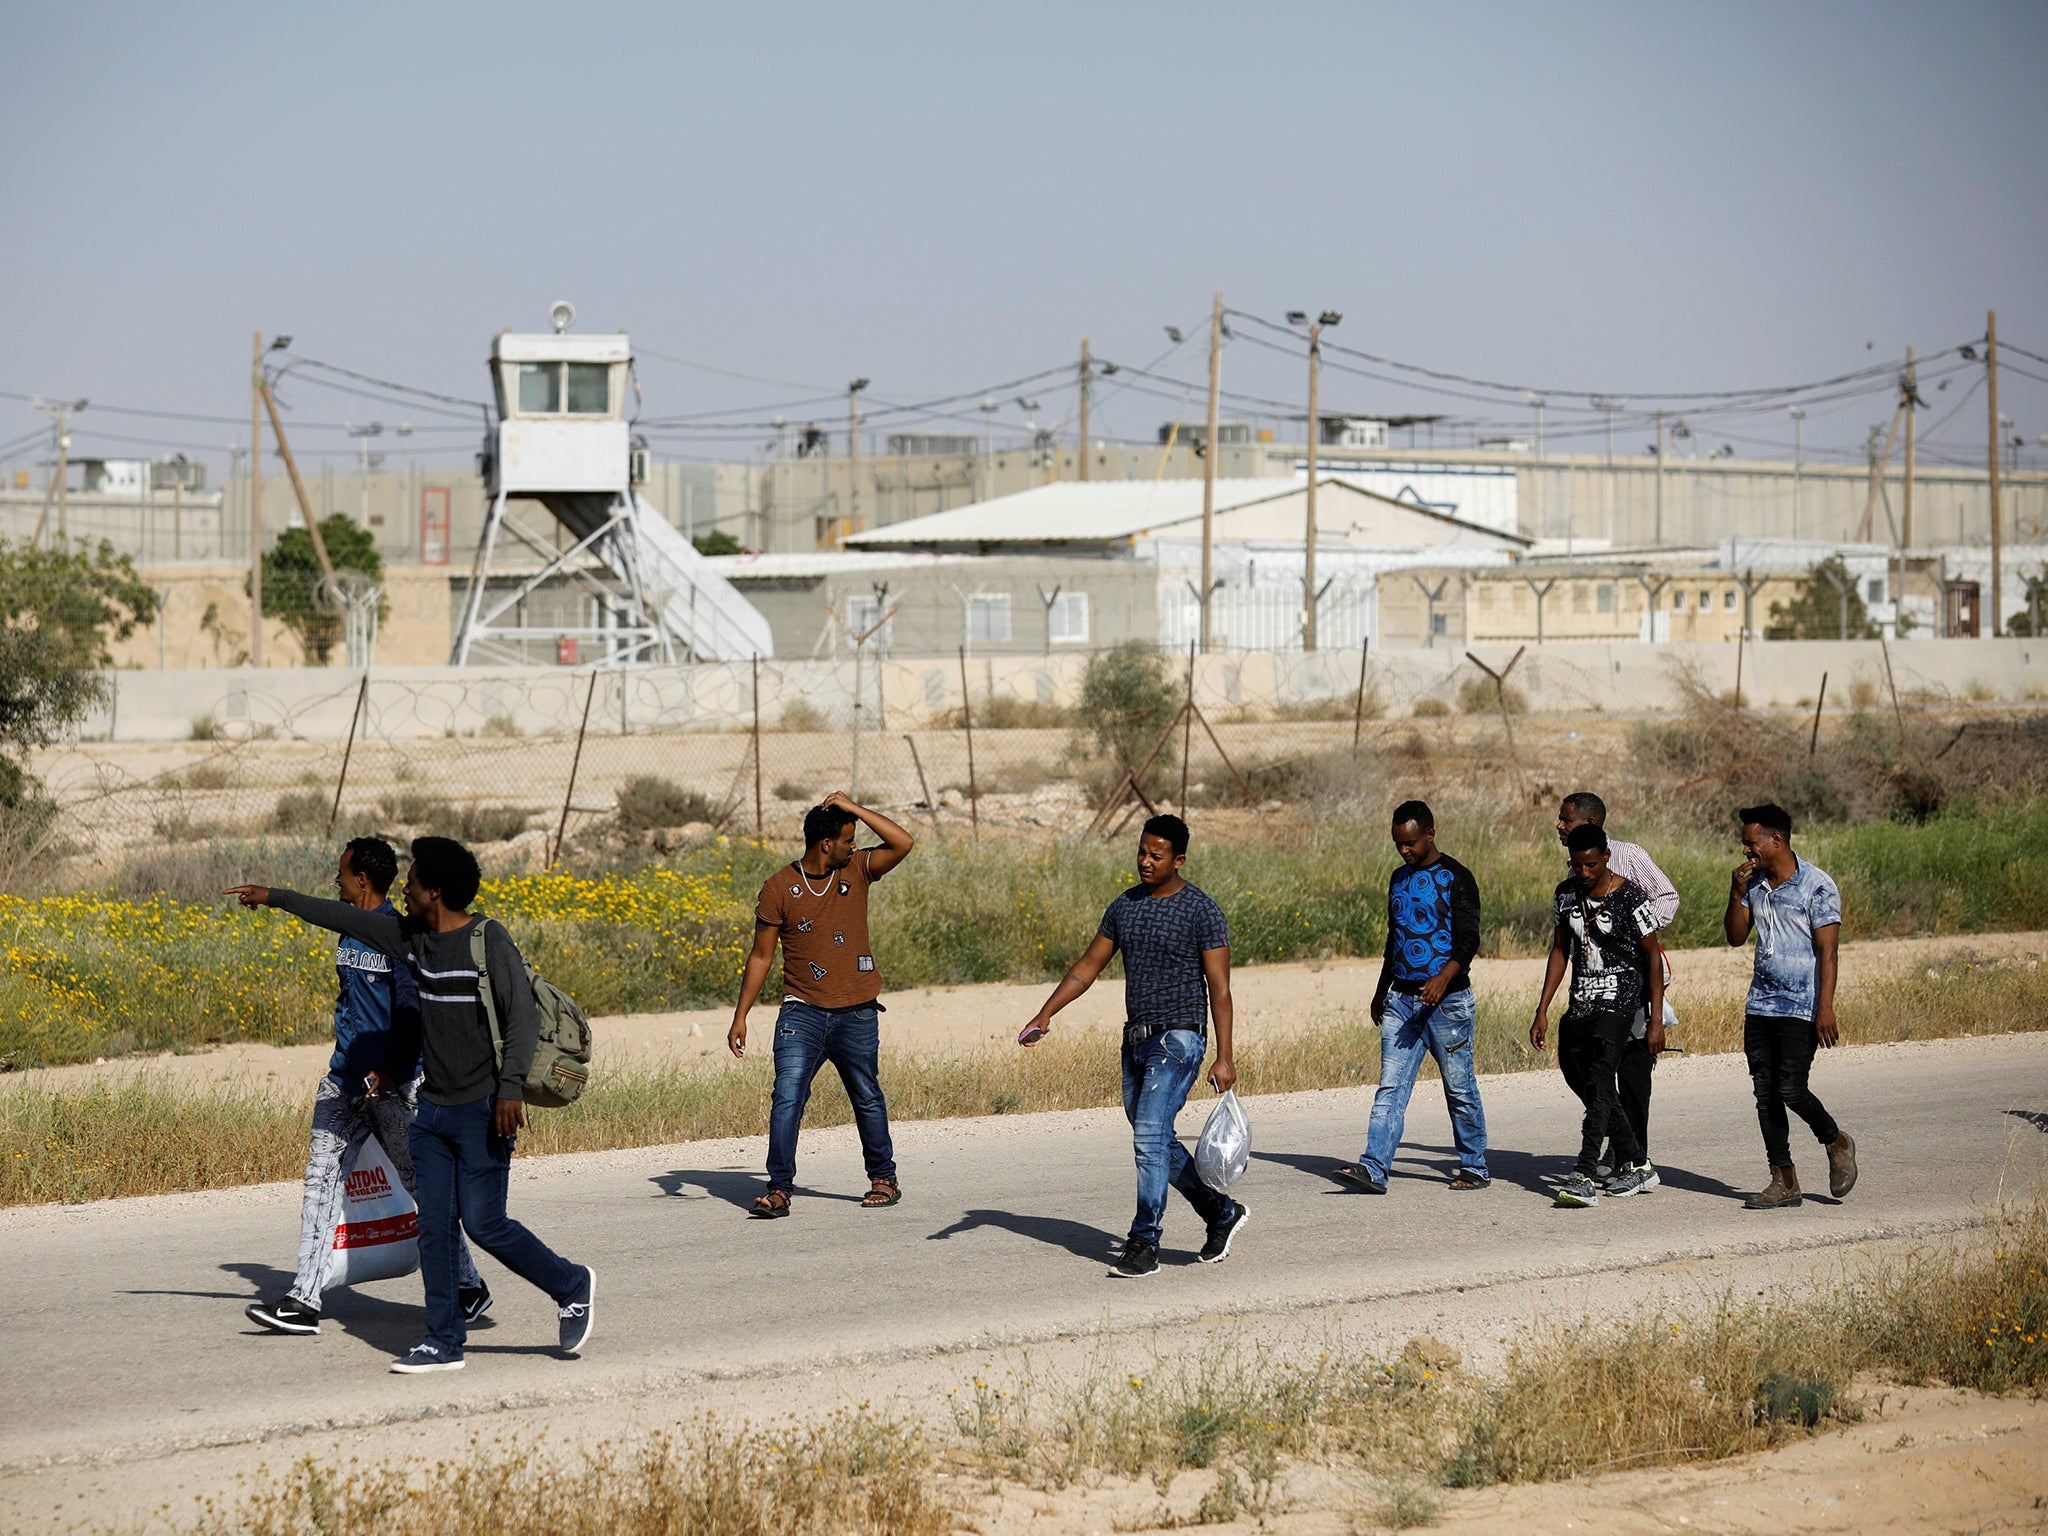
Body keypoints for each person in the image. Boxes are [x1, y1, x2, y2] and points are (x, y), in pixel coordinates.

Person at [227, 836, 595, 1374]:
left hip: (484, 1108)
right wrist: (275, 896)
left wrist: (511, 1090)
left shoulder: (488, 940)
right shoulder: (412, 940)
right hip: (432, 1111)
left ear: (436, 891)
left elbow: (522, 1020)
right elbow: (341, 918)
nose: (405, 886)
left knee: (485, 1224)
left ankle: (571, 1283)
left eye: (414, 880)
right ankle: (443, 1340)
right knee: (436, 1228)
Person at [241, 837, 487, 1336]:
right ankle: (303, 1300)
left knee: (421, 1184)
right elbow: (321, 916)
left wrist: (395, 1071)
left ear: (363, 880)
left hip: (390, 1091)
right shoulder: (351, 931)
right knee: (319, 1183)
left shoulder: (399, 936)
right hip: (344, 1082)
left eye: (342, 872)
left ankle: (468, 1285)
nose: (336, 879)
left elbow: (413, 1013)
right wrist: (274, 896)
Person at [1019, 813, 1244, 1279]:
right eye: (1141, 851)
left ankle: (1144, 1241)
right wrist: (1046, 1013)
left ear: (1178, 860)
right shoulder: (1125, 907)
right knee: (1154, 1136)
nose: (1144, 861)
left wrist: (1224, 1054)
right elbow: (1087, 967)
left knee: (1147, 1136)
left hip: (1181, 1038)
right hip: (1136, 1040)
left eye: (1155, 855)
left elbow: (1219, 989)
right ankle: (1221, 1213)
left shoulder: (1202, 910)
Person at [729, 792, 915, 1217]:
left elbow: (902, 843)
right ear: (825, 844)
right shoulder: (779, 888)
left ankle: (884, 1179)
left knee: (867, 1096)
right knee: (787, 1098)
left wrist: (853, 808)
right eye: (848, 838)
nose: (854, 845)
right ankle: (778, 1190)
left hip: (858, 1011)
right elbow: (761, 956)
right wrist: (741, 1016)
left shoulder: (859, 870)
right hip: (802, 1012)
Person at [1336, 800, 1490, 1195]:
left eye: (1410, 843)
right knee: (1390, 1087)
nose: (1404, 850)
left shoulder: (1457, 877)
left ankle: (1475, 1165)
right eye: (1398, 844)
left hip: (1448, 1003)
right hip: (1401, 1002)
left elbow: (1469, 938)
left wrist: (1443, 977)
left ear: (1430, 834)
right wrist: (1380, 988)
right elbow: (1395, 937)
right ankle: (1374, 1168)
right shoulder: (1398, 878)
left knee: (1459, 1087)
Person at [1724, 803, 1858, 1210]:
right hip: (1760, 1006)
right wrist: (1735, 892)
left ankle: (1836, 1141)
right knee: (1765, 1095)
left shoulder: (1817, 886)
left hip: (1802, 1007)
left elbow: (1828, 951)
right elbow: (1734, 937)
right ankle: (1783, 1180)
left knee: (1790, 1089)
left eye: (1752, 843)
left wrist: (1826, 1007)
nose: (1747, 851)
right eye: (1745, 844)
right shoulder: (1753, 885)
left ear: (1776, 840)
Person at [1530, 823, 1665, 1207]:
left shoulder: (1630, 897)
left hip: (1619, 1001)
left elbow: (1652, 956)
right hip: (1581, 1002)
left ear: (1606, 857)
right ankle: (1638, 1162)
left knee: (1601, 1077)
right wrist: (1542, 1009)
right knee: (1584, 1081)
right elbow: (1560, 951)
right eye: (1577, 866)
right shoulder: (1566, 894)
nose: (1584, 873)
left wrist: (1654, 1018)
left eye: (1591, 865)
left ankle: (1585, 1173)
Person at [1555, 792, 1679, 1181]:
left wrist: (1625, 934)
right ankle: (1624, 1149)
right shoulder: (1577, 870)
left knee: (1632, 1071)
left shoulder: (1629, 855)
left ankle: (1631, 1158)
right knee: (1590, 1069)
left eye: (1567, 820)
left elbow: (1667, 897)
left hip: (1634, 983)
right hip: (1592, 989)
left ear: (1591, 827)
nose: (1559, 825)